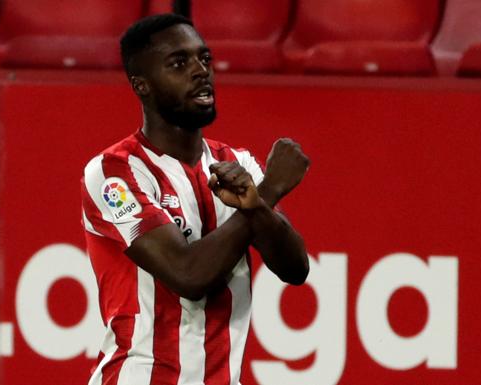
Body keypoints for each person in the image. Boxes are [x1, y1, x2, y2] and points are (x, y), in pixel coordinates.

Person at [81, 13, 310, 385]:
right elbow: (187, 276)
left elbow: (295, 267)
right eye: (179, 63)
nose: (200, 71)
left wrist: (258, 205)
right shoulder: (113, 174)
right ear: (142, 86)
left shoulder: (235, 163)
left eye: (204, 58)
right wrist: (267, 191)